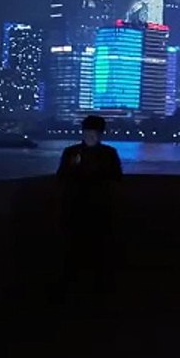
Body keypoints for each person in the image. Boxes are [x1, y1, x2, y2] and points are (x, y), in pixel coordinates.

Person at [56, 115, 123, 295]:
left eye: (94, 133)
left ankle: (93, 289)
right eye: (88, 132)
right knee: (76, 250)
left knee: (96, 251)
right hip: (78, 207)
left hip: (97, 208)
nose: (91, 136)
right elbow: (61, 176)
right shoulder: (74, 153)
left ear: (100, 134)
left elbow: (116, 177)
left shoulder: (106, 154)